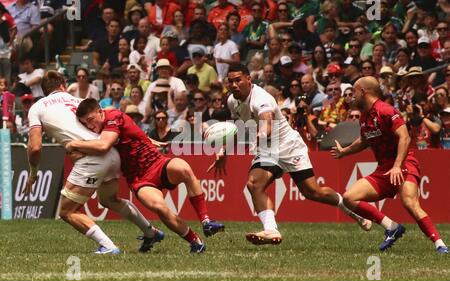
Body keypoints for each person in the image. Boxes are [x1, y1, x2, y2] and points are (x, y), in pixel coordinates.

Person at [208, 64, 371, 245]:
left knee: (313, 192)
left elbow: (267, 126)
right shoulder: (232, 100)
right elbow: (236, 127)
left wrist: (260, 134)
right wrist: (224, 150)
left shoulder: (262, 99)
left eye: (238, 80)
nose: (234, 85)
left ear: (249, 79)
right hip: (267, 149)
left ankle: (352, 211)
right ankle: (271, 230)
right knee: (254, 184)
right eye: (230, 81)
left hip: (288, 146)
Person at [25, 71, 162, 254]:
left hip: (92, 157)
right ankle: (150, 232)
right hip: (112, 153)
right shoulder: (78, 101)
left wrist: (33, 173)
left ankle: (108, 246)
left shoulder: (38, 107)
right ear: (63, 86)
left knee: (67, 211)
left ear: (45, 91)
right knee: (109, 199)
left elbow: (34, 148)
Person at [67, 99, 225, 253]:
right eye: (85, 123)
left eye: (90, 120)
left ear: (100, 112)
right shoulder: (96, 130)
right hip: (139, 179)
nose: (89, 126)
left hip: (157, 162)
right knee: (160, 208)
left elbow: (104, 145)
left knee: (184, 168)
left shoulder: (113, 116)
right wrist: (147, 138)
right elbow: (130, 133)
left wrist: (73, 144)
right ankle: (195, 242)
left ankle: (206, 221)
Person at [331, 76, 448, 254]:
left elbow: (405, 137)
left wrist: (397, 166)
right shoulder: (364, 117)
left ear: (363, 91)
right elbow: (364, 140)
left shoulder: (386, 110)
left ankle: (440, 245)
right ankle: (391, 227)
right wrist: (344, 151)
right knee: (349, 198)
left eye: (354, 91)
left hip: (403, 164)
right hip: (384, 169)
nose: (351, 96)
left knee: (409, 202)